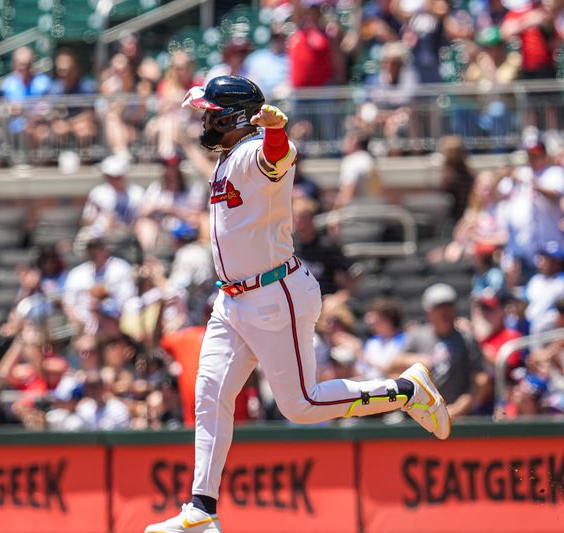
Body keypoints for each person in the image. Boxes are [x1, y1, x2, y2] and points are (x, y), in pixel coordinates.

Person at [145, 76, 450, 533]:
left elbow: (279, 159)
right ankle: (201, 511)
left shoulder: (251, 151)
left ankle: (407, 391)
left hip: (274, 293)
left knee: (301, 405)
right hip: (232, 299)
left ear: (233, 117)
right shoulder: (229, 155)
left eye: (210, 112)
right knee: (209, 394)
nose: (204, 119)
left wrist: (274, 132)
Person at [391, 284, 488, 419]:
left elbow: (481, 380)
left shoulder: (466, 339)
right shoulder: (417, 336)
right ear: (428, 311)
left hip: (456, 416)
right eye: (439, 308)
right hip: (419, 416)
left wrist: (457, 409)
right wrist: (419, 360)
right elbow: (392, 366)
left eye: (449, 307)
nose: (445, 312)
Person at [499, 140, 564, 272]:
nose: (532, 159)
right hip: (525, 246)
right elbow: (499, 193)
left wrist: (532, 182)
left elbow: (555, 194)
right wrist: (509, 175)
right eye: (529, 155)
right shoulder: (523, 172)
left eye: (535, 155)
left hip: (550, 246)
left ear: (545, 156)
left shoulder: (553, 173)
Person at [62, 237, 136, 333]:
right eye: (90, 249)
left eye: (97, 248)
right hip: (84, 326)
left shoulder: (120, 268)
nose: (93, 253)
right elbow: (68, 305)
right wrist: (81, 325)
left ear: (105, 249)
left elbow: (126, 302)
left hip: (114, 323)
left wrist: (102, 305)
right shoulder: (77, 273)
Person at [292, 197, 353, 294]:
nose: (301, 225)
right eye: (298, 220)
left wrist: (342, 296)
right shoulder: (288, 245)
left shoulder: (326, 245)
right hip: (296, 298)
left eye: (305, 219)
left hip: (324, 298)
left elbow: (353, 272)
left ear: (313, 220)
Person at [80, 155, 144, 238]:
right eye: (111, 176)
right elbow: (87, 220)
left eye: (118, 176)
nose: (114, 179)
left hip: (131, 232)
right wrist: (104, 217)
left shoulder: (136, 192)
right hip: (101, 237)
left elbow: (142, 216)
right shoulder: (98, 193)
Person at [333, 128, 382, 209]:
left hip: (355, 215)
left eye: (346, 140)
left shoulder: (352, 161)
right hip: (375, 211)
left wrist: (335, 215)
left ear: (354, 141)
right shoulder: (372, 160)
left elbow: (348, 193)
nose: (343, 143)